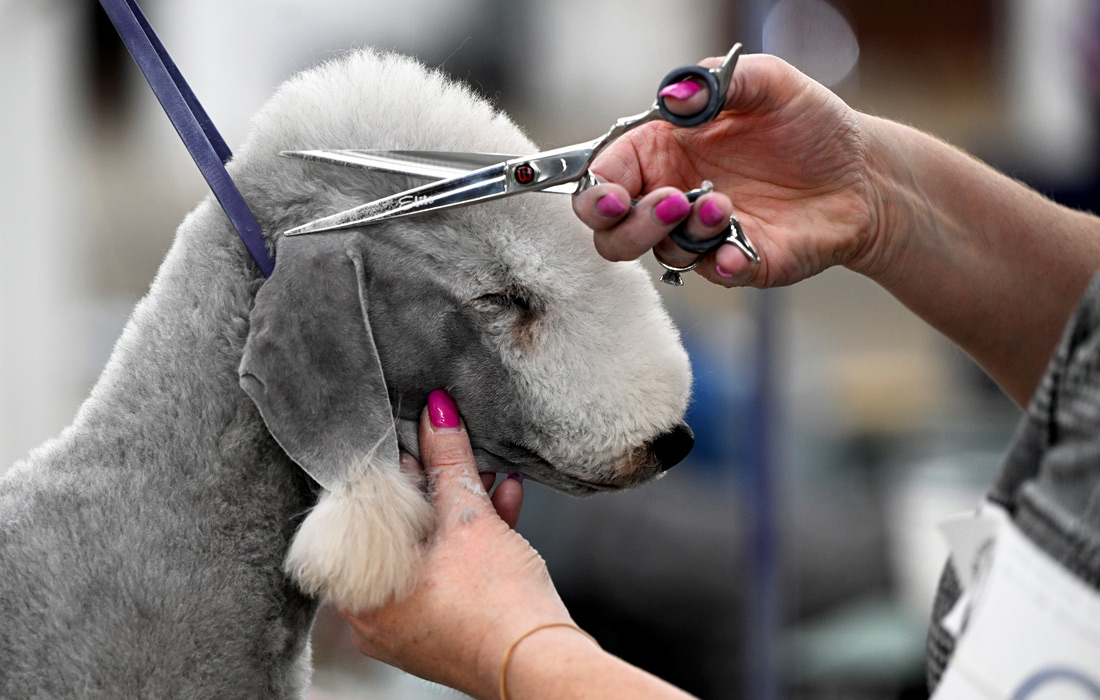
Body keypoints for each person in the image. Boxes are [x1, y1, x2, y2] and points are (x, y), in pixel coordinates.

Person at [342, 51, 1100, 698]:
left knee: (624, 540)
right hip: (931, 530)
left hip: (915, 546)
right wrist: (874, 191)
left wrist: (522, 655)